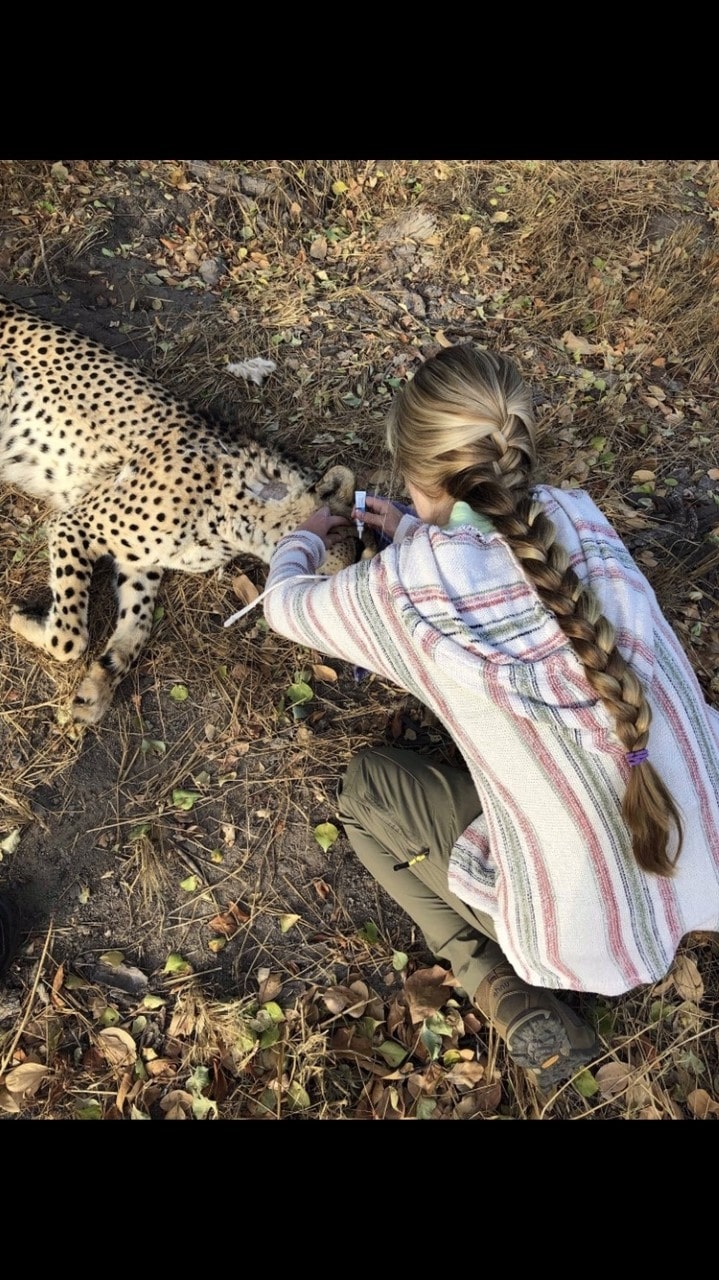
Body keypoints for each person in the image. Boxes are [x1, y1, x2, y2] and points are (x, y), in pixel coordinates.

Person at [261, 344, 719, 1090]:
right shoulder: (578, 517)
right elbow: (504, 565)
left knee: (364, 790)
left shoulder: (399, 591)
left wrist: (306, 534)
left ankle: (496, 984)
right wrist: (418, 529)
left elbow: (286, 606)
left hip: (574, 934)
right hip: (699, 863)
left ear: (412, 467)